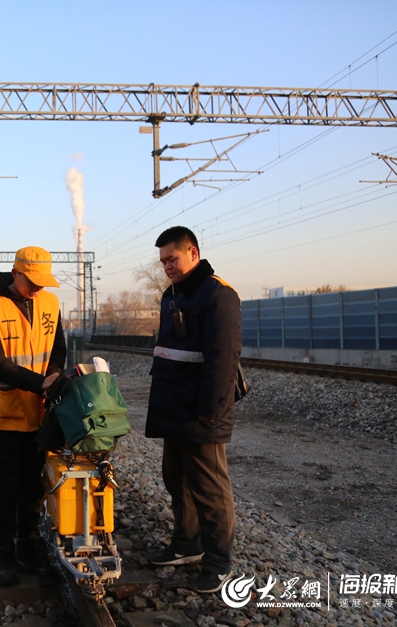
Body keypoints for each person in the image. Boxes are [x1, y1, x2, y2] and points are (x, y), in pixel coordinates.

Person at [145, 226, 241, 594]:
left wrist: (211, 411)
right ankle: (187, 545)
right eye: (163, 261)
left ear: (193, 253)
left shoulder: (219, 294)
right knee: (177, 480)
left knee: (209, 488)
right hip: (173, 406)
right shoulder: (172, 295)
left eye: (172, 258)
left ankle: (218, 562)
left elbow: (223, 359)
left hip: (201, 410)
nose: (167, 266)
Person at [0, 246, 66, 587]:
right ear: (15, 274)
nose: (38, 287)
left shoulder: (50, 303)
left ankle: (28, 549)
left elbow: (57, 349)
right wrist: (41, 382)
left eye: (43, 281)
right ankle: (6, 557)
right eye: (32, 281)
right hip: (3, 416)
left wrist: (54, 375)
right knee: (5, 489)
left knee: (33, 488)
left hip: (39, 415)